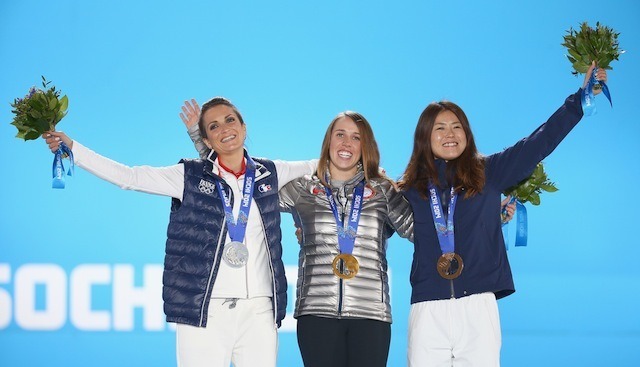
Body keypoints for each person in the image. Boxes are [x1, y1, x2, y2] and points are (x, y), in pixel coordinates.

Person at [43, 97, 317, 367]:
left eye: (230, 120)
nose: (225, 129)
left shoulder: (271, 173)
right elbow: (129, 177)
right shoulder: (188, 176)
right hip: (204, 310)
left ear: (244, 127)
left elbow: (325, 165)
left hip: (260, 311)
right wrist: (73, 148)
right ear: (206, 140)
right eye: (213, 126)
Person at [398, 63, 608, 366]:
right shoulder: (409, 189)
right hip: (428, 307)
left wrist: (579, 99)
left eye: (457, 126)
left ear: (467, 134)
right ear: (424, 137)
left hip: (478, 305)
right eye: (439, 128)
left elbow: (539, 142)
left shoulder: (489, 172)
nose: (450, 134)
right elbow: (371, 219)